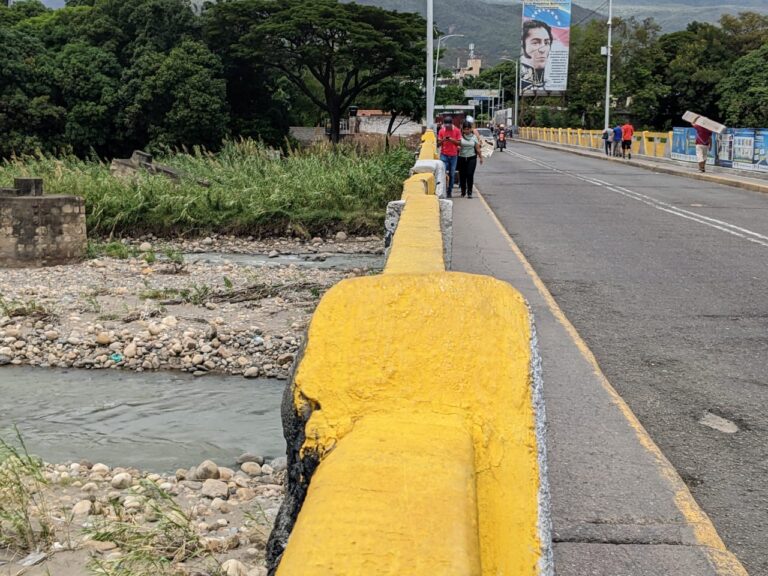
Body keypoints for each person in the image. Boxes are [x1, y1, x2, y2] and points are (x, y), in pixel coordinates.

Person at [520, 20, 552, 92]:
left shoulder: (551, 82)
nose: (542, 49)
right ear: (523, 45)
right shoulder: (522, 82)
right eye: (535, 43)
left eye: (547, 43)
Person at [458, 121, 483, 198]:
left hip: (471, 158)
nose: (467, 131)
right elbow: (456, 145)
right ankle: (463, 191)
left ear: (470, 129)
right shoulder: (460, 137)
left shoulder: (474, 137)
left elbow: (477, 148)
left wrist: (481, 157)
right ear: (463, 129)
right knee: (462, 175)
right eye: (465, 129)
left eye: (468, 129)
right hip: (462, 158)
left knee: (470, 174)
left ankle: (469, 192)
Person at [437, 116, 462, 198]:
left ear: (452, 124)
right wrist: (443, 140)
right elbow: (438, 144)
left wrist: (451, 139)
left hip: (453, 155)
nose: (447, 127)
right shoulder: (441, 131)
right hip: (444, 155)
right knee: (442, 173)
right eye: (446, 125)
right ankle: (443, 190)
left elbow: (459, 143)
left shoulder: (457, 130)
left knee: (452, 174)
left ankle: (449, 191)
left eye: (448, 125)